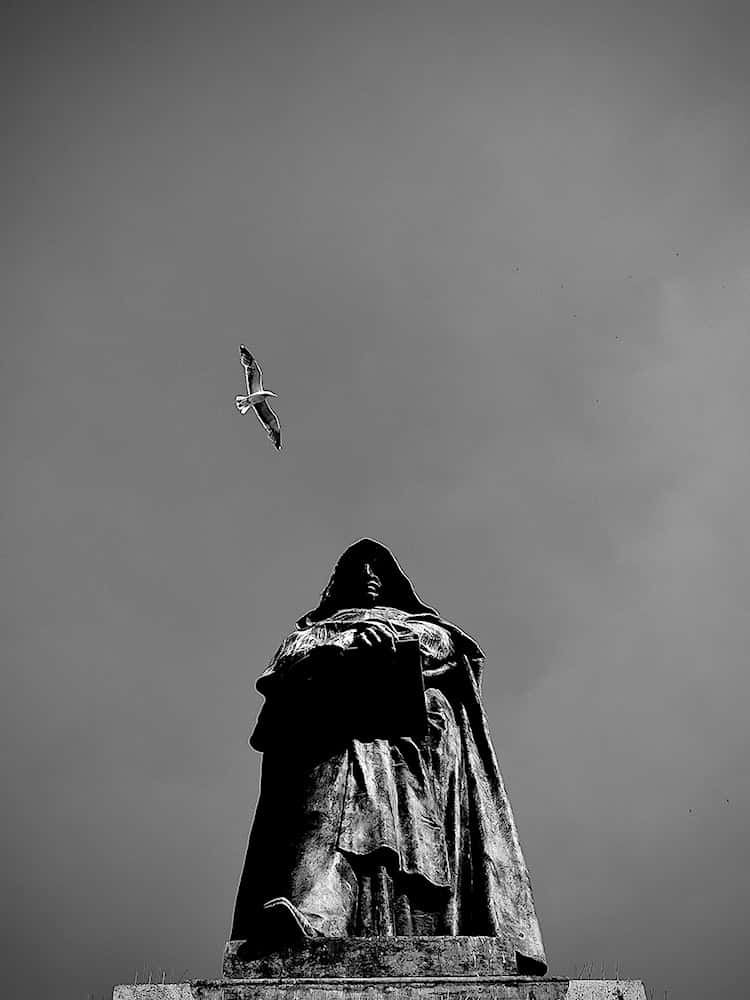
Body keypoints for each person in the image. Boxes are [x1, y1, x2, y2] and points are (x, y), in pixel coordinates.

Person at [230, 539, 546, 974]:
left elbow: (449, 648)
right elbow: (281, 670)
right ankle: (313, 913)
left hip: (408, 748)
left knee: (403, 837)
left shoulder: (416, 624)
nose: (369, 580)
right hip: (330, 738)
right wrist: (338, 649)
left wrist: (394, 640)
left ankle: (406, 924)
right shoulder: (314, 631)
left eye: (378, 572)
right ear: (340, 586)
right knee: (323, 822)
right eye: (358, 574)